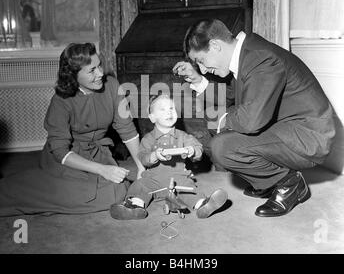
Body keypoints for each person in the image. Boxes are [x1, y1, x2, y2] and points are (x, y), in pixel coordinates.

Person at [173, 19, 336, 217]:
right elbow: (232, 95)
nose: (204, 69)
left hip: (308, 137)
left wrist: (219, 120)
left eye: (200, 61)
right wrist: (199, 81)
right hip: (289, 127)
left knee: (222, 146)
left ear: (215, 46)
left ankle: (288, 183)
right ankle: (268, 182)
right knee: (218, 125)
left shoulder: (260, 58)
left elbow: (251, 120)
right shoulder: (248, 53)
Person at [0, 43, 144, 216]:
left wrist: (141, 165)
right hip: (68, 158)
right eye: (92, 70)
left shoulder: (112, 85)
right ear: (73, 76)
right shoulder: (61, 100)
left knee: (117, 190)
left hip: (97, 153)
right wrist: (102, 170)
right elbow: (60, 151)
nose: (100, 73)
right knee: (101, 194)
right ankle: (21, 188)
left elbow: (126, 128)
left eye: (99, 65)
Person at [110, 94, 228, 220]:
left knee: (190, 189)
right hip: (153, 180)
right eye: (163, 109)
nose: (169, 112)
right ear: (152, 117)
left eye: (172, 108)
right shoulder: (148, 139)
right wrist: (154, 155)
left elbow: (198, 148)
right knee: (139, 185)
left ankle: (202, 205)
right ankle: (134, 206)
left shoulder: (183, 136)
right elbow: (142, 157)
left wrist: (192, 150)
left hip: (178, 179)